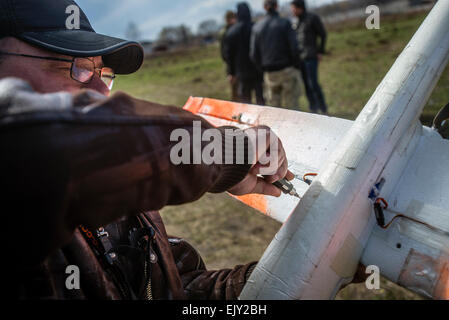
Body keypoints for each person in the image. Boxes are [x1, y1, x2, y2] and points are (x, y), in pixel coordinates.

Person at [0, 0, 294, 300]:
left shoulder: (103, 191)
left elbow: (162, 287)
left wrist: (285, 279)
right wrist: (225, 152)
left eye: (101, 73)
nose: (102, 92)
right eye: (77, 68)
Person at [250, 0, 301, 109]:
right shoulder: (285, 23)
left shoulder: (257, 27)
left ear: (264, 7)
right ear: (277, 6)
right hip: (287, 69)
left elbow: (253, 54)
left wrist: (263, 69)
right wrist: (295, 65)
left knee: (274, 109)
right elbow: (294, 48)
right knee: (292, 108)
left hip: (269, 73)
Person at [291, 0, 329, 115]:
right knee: (306, 85)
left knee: (313, 84)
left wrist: (320, 51)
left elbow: (323, 34)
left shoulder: (312, 18)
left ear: (299, 8)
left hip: (311, 57)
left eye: (293, 8)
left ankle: (323, 109)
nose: (292, 11)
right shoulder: (295, 21)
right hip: (300, 59)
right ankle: (313, 109)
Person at [223, 2, 265, 105]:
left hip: (241, 72)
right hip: (257, 70)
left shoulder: (231, 32)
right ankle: (264, 119)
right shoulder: (256, 28)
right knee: (260, 98)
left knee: (246, 100)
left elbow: (229, 55)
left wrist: (231, 72)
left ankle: (247, 119)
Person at [219, 10, 239, 102]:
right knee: (235, 91)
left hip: (237, 65)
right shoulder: (226, 33)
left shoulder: (234, 29)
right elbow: (224, 53)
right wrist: (230, 71)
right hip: (232, 65)